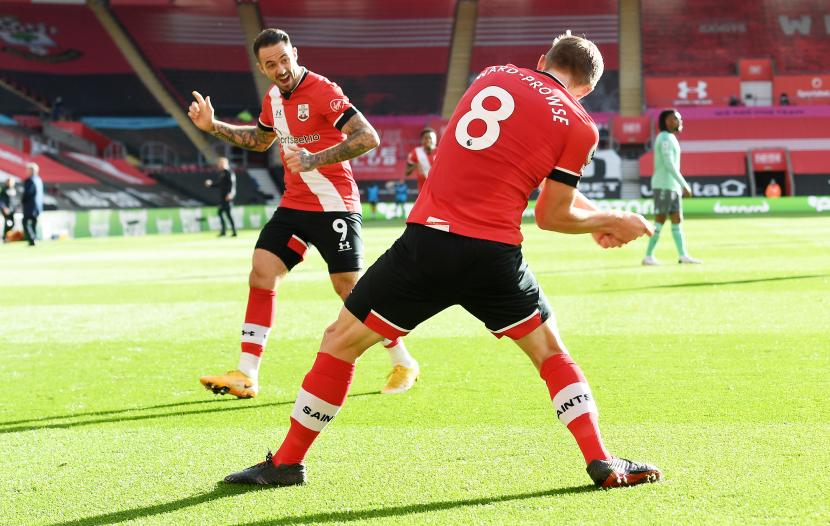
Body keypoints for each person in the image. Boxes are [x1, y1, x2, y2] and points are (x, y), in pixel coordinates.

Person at [223, 32, 662, 490]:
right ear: (586, 89)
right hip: (494, 258)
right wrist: (612, 219)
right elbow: (552, 214)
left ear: (541, 60)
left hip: (428, 246)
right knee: (551, 354)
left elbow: (512, 158)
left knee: (339, 343)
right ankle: (601, 461)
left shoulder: (494, 75)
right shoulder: (580, 124)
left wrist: (598, 219)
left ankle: (287, 463)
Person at [187, 28, 419, 398]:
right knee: (262, 272)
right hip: (294, 205)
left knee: (350, 290)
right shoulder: (273, 100)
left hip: (334, 204)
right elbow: (261, 140)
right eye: (270, 64)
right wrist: (213, 126)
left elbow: (367, 137)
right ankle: (247, 374)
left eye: (284, 59)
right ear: (262, 68)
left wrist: (314, 159)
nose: (280, 68)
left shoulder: (324, 91)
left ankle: (403, 361)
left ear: (295, 52)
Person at [642, 109, 702, 265]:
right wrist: (684, 184)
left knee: (677, 219)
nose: (679, 121)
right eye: (676, 119)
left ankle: (683, 255)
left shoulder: (670, 138)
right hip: (664, 185)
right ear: (667, 121)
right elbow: (669, 164)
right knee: (660, 220)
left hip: (672, 186)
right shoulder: (665, 138)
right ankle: (648, 256)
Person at [205, 156, 237, 237]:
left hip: (227, 197)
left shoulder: (229, 172)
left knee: (226, 214)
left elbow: (232, 185)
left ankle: (231, 231)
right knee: (223, 213)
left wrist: (231, 194)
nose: (218, 165)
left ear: (224, 163)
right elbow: (220, 184)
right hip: (223, 197)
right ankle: (227, 231)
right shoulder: (223, 173)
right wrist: (211, 184)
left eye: (220, 163)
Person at [405, 127, 437, 192]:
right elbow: (407, 172)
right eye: (426, 138)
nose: (428, 140)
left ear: (435, 140)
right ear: (422, 140)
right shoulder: (416, 152)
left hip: (438, 188)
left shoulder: (440, 152)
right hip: (423, 190)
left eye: (430, 138)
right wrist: (416, 165)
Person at [21, 163, 43, 246]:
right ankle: (34, 238)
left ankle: (32, 238)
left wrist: (22, 201)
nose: (27, 171)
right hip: (38, 206)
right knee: (33, 223)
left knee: (25, 222)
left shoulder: (30, 180)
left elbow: (27, 193)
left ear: (31, 171)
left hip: (30, 206)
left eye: (28, 170)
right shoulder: (39, 180)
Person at [1, 177, 18, 242]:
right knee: (8, 223)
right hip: (6, 210)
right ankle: (5, 237)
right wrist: (4, 208)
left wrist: (16, 208)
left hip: (12, 210)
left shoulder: (14, 189)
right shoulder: (4, 189)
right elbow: (1, 200)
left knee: (12, 223)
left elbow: (15, 200)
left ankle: (8, 237)